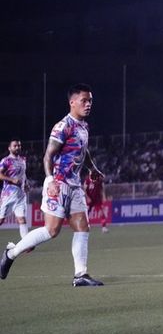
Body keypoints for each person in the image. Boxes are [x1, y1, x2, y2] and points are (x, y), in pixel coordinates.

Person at [1, 84, 104, 285]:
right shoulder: (63, 126)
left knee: (83, 226)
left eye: (90, 100)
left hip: (74, 185)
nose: (88, 104)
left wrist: (92, 169)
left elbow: (83, 150)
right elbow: (48, 156)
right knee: (52, 230)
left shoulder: (83, 126)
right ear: (72, 102)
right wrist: (50, 181)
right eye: (84, 100)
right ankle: (11, 253)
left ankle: (80, 275)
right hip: (59, 183)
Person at [0, 139, 30, 240]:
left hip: (21, 195)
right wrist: (11, 179)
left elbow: (23, 174)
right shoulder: (6, 161)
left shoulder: (23, 160)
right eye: (15, 146)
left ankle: (26, 244)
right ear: (9, 148)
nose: (17, 147)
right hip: (8, 195)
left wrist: (26, 183)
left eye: (19, 146)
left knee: (22, 219)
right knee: (1, 220)